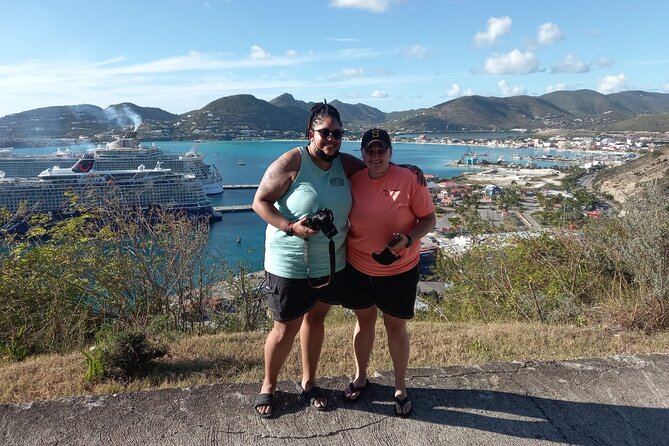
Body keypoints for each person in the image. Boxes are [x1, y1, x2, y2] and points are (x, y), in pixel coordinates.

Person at [251, 102, 364, 418]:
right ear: (310, 133)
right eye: (324, 132)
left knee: (316, 319)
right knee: (284, 327)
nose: (331, 139)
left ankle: (309, 382)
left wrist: (409, 171)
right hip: (290, 263)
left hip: (330, 263)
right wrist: (290, 227)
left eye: (337, 133)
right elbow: (259, 202)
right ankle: (269, 386)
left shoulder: (346, 165)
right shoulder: (292, 160)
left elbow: (377, 171)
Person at [341, 128, 436, 418]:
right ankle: (361, 377)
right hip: (358, 267)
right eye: (370, 150)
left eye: (381, 150)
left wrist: (408, 239)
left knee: (395, 327)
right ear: (362, 154)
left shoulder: (409, 180)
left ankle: (399, 387)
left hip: (399, 269)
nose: (376, 155)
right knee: (364, 322)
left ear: (391, 152)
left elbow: (428, 219)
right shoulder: (354, 181)